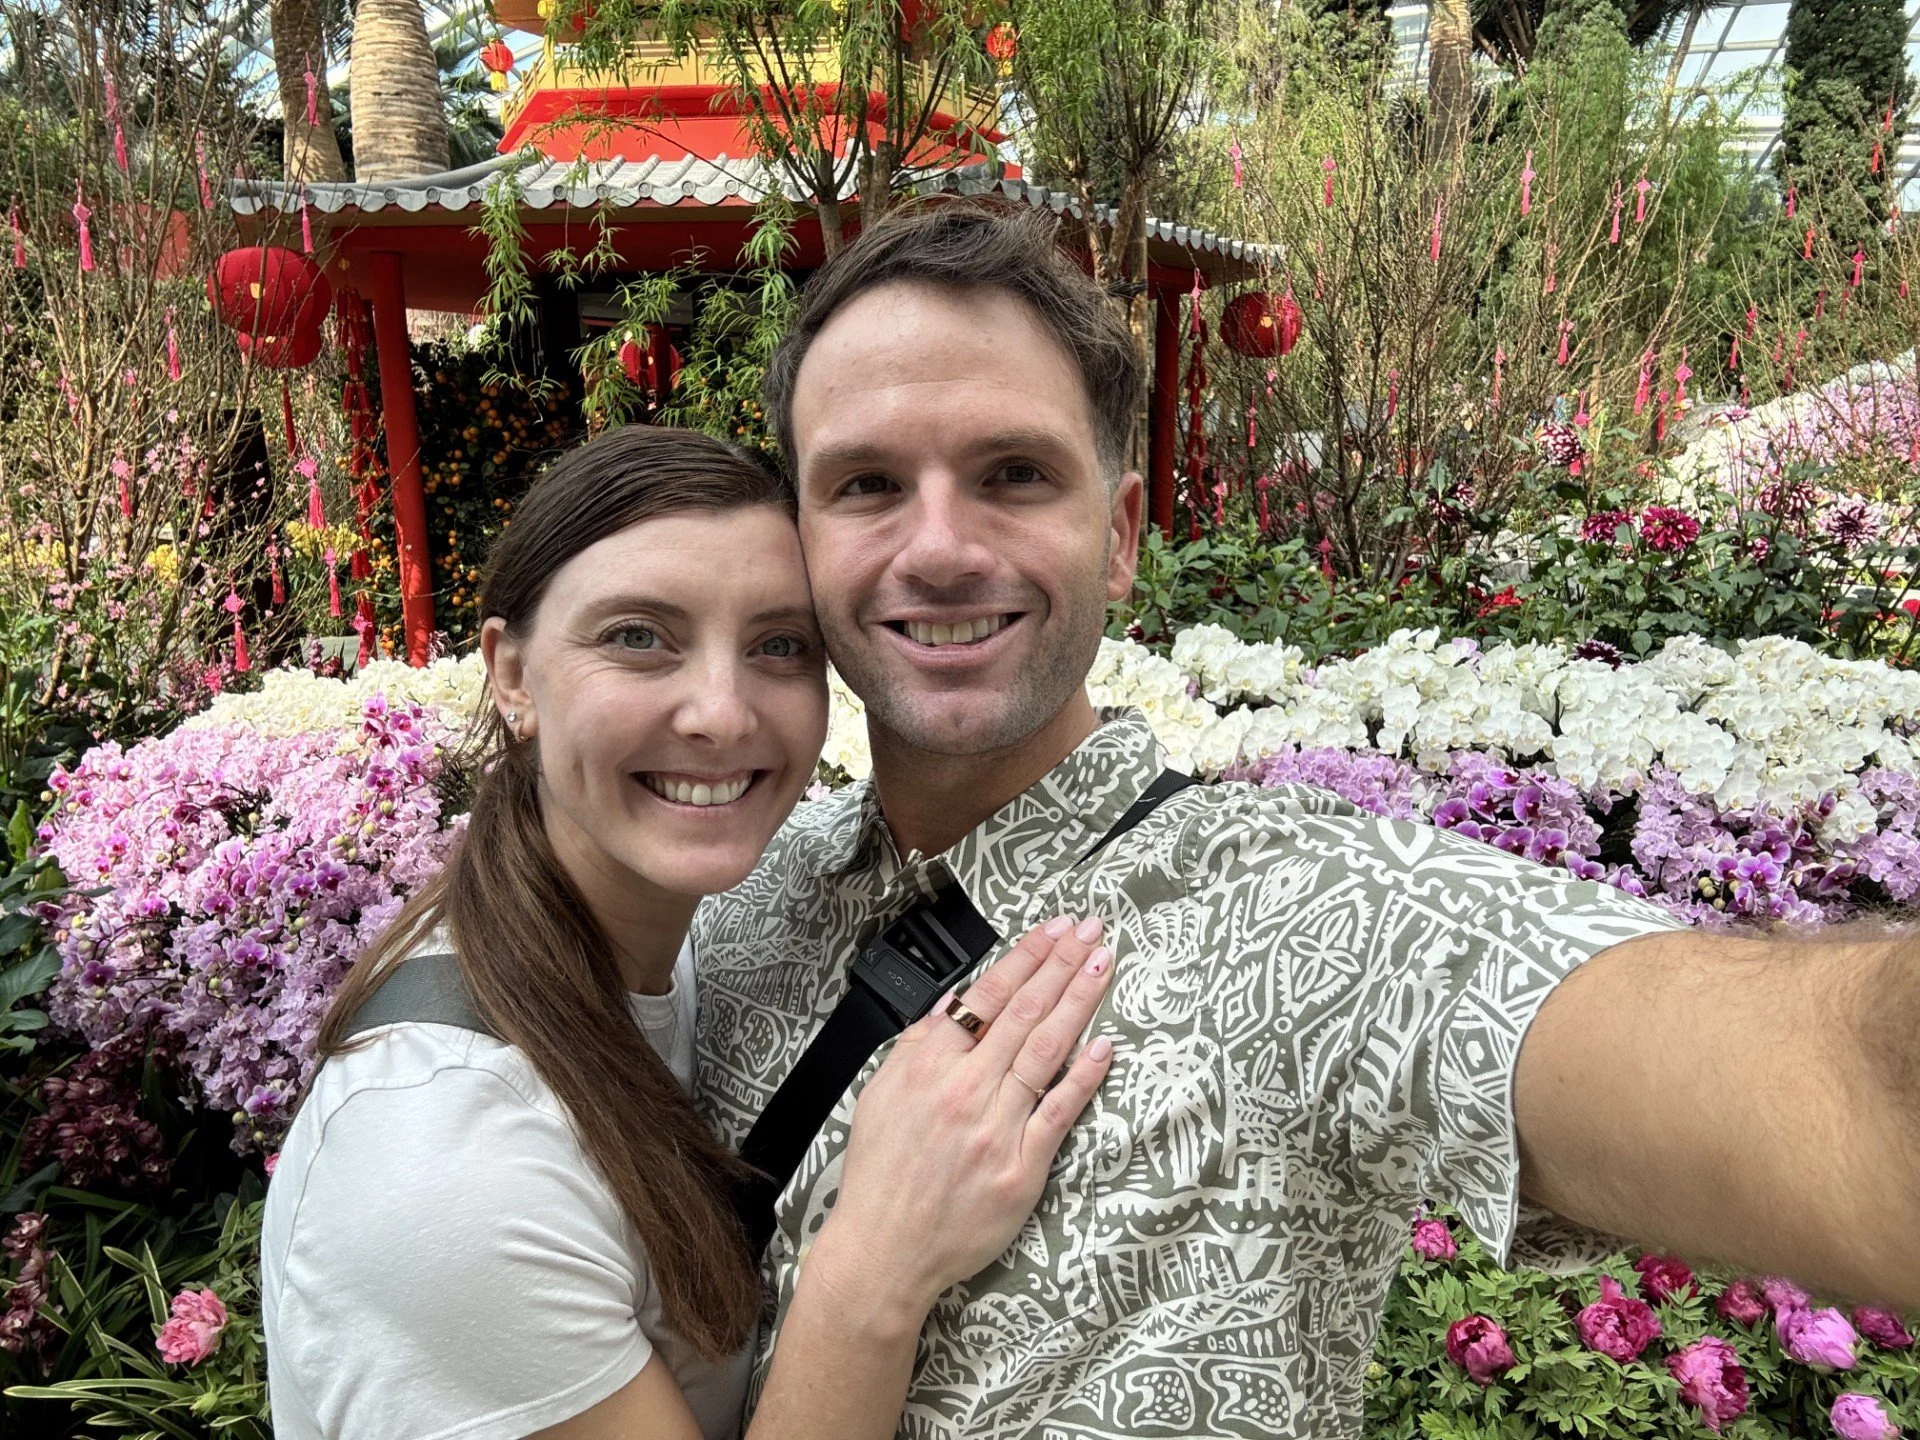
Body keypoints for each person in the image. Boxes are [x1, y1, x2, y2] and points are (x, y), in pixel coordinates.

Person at [692, 201, 1920, 1438]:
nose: (943, 547)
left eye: (1014, 474)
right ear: (799, 536)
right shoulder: (725, 912)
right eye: (867, 485)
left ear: (1118, 539)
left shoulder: (1310, 917)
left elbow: (1853, 1090)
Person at [259, 424, 1121, 1440]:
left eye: (778, 646)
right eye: (639, 637)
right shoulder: (442, 1160)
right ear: (513, 674)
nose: (721, 712)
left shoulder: (645, 955)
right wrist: (872, 1270)